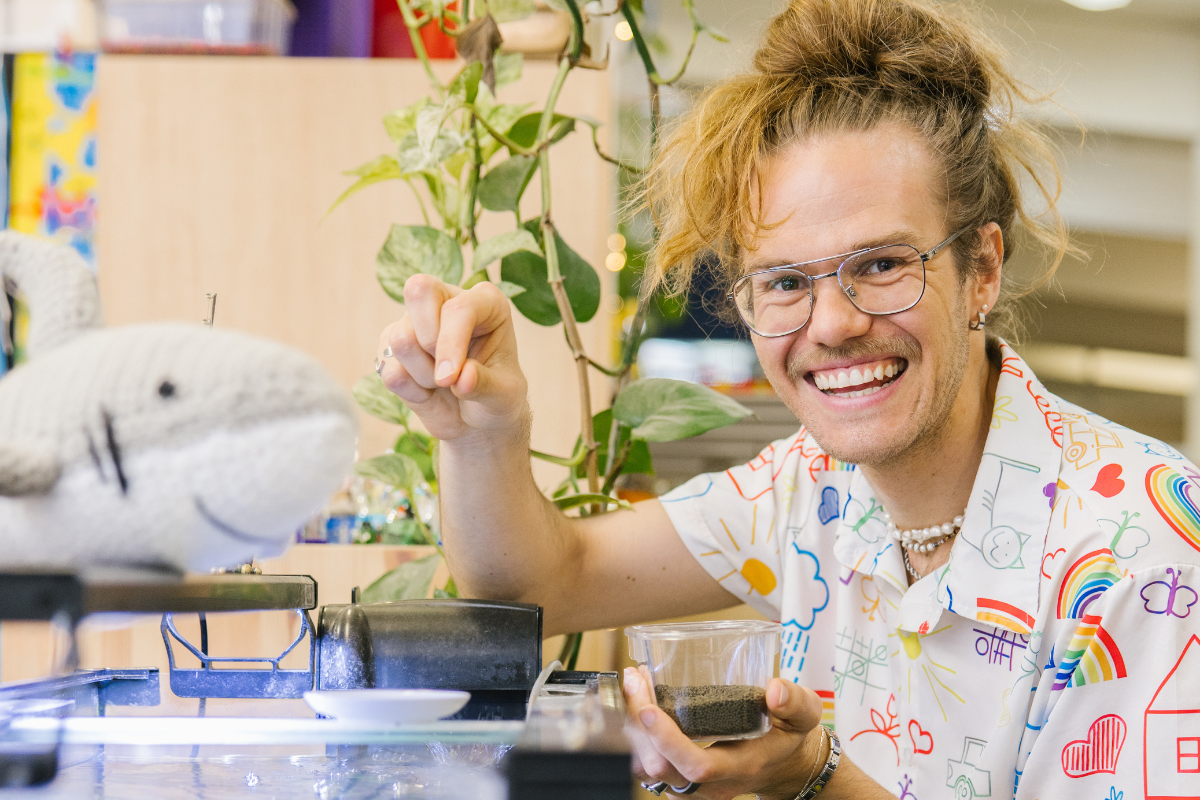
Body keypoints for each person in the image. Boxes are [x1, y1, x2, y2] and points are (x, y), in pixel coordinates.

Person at [376, 0, 1200, 797]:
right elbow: (544, 586)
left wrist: (817, 782)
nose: (832, 324)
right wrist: (483, 428)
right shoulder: (808, 490)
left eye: (881, 264)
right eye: (784, 281)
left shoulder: (1143, 548)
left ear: (981, 268)